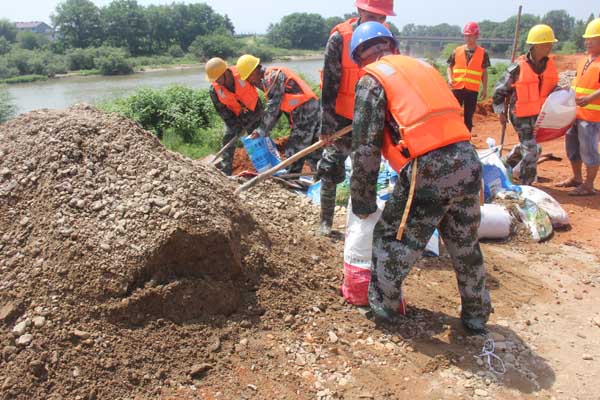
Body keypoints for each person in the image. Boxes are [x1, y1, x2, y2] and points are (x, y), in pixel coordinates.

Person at [349, 22, 491, 333]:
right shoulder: (423, 68)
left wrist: (362, 201)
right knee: (464, 243)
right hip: (467, 159)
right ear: (392, 46)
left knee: (390, 240)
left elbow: (365, 149)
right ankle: (477, 316)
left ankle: (384, 312)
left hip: (429, 167)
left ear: (359, 57)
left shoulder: (372, 79)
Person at [318, 0, 396, 236]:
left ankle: (363, 230)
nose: (379, 22)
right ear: (360, 10)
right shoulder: (339, 38)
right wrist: (326, 126)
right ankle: (325, 222)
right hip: (342, 119)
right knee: (330, 167)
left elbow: (394, 78)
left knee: (366, 174)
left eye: (382, 18)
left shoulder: (387, 38)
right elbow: (329, 84)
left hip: (372, 120)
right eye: (373, 16)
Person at [493, 24, 559, 186]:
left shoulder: (549, 65)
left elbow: (551, 88)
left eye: (551, 44)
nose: (550, 47)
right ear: (536, 45)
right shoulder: (518, 67)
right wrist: (500, 112)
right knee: (531, 150)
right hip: (520, 115)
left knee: (531, 147)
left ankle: (505, 163)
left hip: (539, 115)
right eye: (547, 44)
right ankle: (526, 184)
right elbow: (499, 91)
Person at [236, 54, 321, 174]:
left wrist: (261, 130)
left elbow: (273, 106)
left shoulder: (272, 77)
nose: (250, 80)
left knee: (294, 151)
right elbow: (278, 108)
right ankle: (320, 179)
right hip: (309, 111)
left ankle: (291, 180)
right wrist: (265, 129)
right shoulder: (268, 79)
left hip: (305, 113)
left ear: (255, 69)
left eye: (249, 76)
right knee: (313, 150)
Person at [557, 18, 600, 196]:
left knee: (588, 150)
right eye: (587, 39)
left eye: (592, 39)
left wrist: (590, 98)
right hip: (575, 113)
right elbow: (577, 82)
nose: (588, 42)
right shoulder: (585, 60)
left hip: (592, 117)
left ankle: (589, 185)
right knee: (572, 147)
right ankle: (577, 178)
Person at [205, 57, 263, 175]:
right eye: (214, 79)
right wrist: (235, 125)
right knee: (228, 138)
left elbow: (262, 84)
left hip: (254, 111)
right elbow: (222, 111)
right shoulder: (214, 90)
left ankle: (264, 167)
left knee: (258, 139)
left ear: (225, 72)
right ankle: (225, 171)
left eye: (218, 78)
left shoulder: (242, 72)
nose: (216, 81)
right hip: (235, 116)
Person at [447, 22, 491, 132]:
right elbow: (449, 67)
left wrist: (484, 89)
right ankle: (454, 137)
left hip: (472, 90)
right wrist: (450, 79)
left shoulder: (483, 53)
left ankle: (467, 138)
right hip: (457, 88)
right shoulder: (457, 51)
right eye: (466, 35)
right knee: (454, 115)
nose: (468, 38)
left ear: (476, 36)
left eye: (470, 35)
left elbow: (484, 72)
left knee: (468, 117)